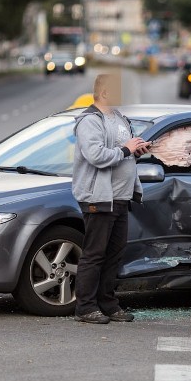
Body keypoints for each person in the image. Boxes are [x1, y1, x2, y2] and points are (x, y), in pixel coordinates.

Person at [72, 73, 150, 324]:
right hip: (99, 196)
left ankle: (108, 304)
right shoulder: (89, 121)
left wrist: (136, 151)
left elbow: (122, 153)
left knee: (114, 254)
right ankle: (85, 307)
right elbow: (95, 155)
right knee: (94, 253)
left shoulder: (120, 118)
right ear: (104, 92)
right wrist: (126, 149)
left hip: (121, 197)